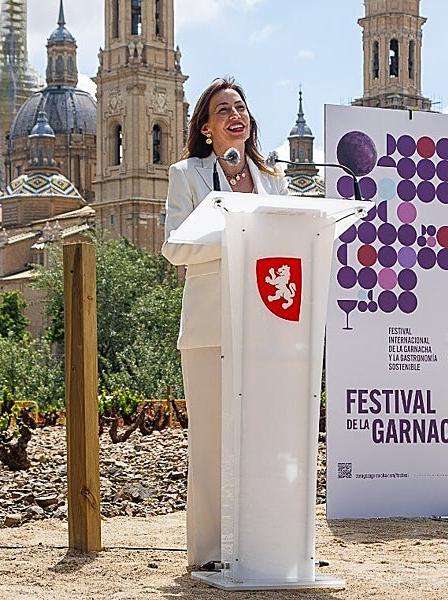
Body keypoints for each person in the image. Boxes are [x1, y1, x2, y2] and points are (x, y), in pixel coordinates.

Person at [161, 77, 288, 570]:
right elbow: (175, 246)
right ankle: (210, 554)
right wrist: (235, 235)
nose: (235, 115)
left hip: (269, 325)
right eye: (223, 110)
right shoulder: (187, 175)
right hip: (209, 327)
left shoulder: (273, 178)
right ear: (207, 128)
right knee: (212, 443)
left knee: (264, 439)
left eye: (241, 107)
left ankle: (262, 545)